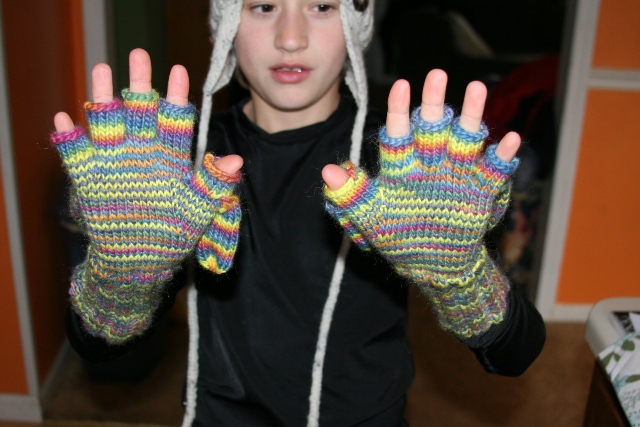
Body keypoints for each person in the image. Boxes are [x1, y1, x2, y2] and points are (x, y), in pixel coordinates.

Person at [50, 0, 545, 425]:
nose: (291, 37)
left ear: (356, 24)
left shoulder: (404, 165)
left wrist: (459, 277)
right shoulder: (178, 162)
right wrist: (123, 276)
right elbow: (103, 354)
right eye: (264, 6)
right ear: (227, 24)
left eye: (322, 5)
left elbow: (515, 353)